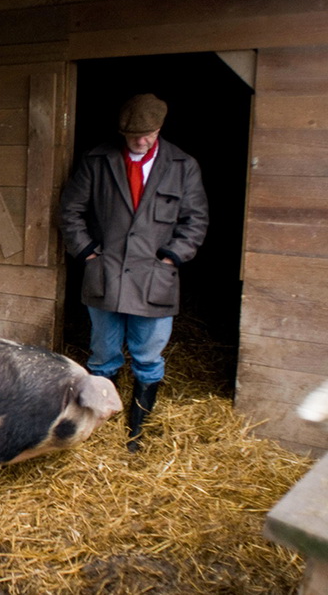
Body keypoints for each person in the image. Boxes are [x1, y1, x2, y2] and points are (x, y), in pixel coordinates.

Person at [59, 93, 209, 452]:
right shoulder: (97, 161)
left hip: (155, 278)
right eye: (133, 135)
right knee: (102, 354)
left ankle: (136, 433)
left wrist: (172, 257)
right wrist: (87, 253)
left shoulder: (182, 164)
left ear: (160, 129)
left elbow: (196, 219)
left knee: (147, 357)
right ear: (121, 131)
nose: (141, 141)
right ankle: (98, 425)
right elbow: (70, 211)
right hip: (105, 275)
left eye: (148, 134)